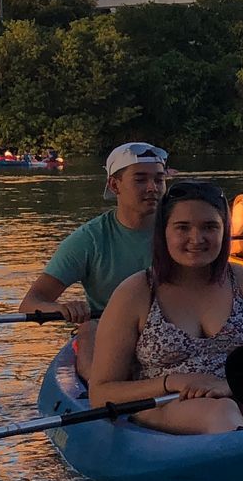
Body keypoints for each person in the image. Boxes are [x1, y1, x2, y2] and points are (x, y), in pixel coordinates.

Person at [86, 180, 243, 434]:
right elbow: (101, 393)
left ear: (224, 231)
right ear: (163, 232)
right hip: (166, 404)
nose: (197, 239)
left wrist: (229, 386)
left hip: (239, 396)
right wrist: (172, 382)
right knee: (220, 411)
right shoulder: (135, 292)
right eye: (182, 228)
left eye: (210, 227)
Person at [18, 141, 171, 377]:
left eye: (159, 179)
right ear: (114, 184)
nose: (153, 187)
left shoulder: (183, 232)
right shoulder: (88, 240)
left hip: (175, 327)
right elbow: (31, 302)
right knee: (88, 328)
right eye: (140, 179)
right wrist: (62, 308)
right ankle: (103, 386)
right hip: (112, 331)